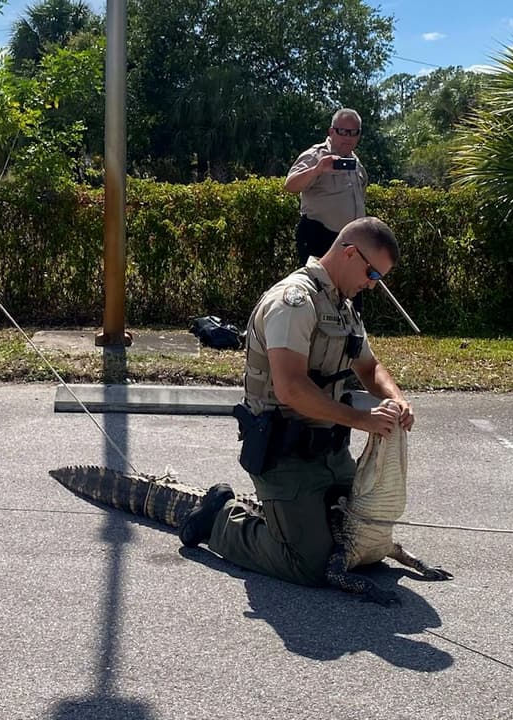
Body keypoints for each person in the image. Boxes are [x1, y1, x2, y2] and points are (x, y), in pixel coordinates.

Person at [178, 217, 412, 588]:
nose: (372, 284)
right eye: (373, 274)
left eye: (378, 279)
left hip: (330, 454)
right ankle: (219, 519)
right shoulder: (294, 302)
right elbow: (291, 389)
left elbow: (369, 367)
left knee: (362, 542)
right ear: (350, 253)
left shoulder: (344, 307)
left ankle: (289, 519)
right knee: (311, 564)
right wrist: (362, 420)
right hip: (283, 455)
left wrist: (396, 400)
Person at [284, 108, 370, 315]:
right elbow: (290, 185)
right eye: (343, 131)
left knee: (351, 295)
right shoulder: (316, 155)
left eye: (354, 132)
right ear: (331, 131)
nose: (348, 137)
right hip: (319, 236)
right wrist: (317, 170)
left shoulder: (356, 162)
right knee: (320, 298)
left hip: (351, 241)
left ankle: (351, 342)